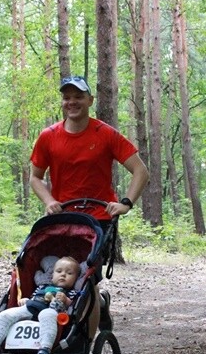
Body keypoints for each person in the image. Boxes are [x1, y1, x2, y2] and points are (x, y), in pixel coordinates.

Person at [28, 75, 149, 335]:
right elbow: (35, 177)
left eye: (78, 97)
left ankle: (85, 348)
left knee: (87, 280)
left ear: (90, 100)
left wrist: (125, 203)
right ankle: (60, 331)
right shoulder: (48, 136)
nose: (72, 102)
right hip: (61, 220)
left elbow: (140, 170)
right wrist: (49, 201)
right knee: (59, 277)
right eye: (67, 97)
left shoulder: (105, 133)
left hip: (97, 219)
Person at [0, 256, 82, 354]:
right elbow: (33, 298)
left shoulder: (72, 292)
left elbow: (73, 306)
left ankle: (44, 350)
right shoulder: (42, 287)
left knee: (48, 315)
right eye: (59, 271)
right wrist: (26, 300)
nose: (63, 275)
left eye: (69, 273)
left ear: (76, 278)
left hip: (52, 311)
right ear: (52, 275)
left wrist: (66, 300)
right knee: (5, 315)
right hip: (31, 308)